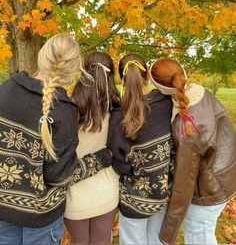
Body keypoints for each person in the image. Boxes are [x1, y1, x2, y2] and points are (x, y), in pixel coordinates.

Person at [0, 34, 112, 245]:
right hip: (41, 218)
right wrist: (100, 159)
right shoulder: (63, 109)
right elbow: (60, 175)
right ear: (74, 69)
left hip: (3, 210)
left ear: (42, 56)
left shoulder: (6, 89)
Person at [150, 58, 236, 245]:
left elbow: (183, 184)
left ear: (160, 88)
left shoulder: (185, 127)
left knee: (199, 235)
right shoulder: (202, 93)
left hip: (209, 189)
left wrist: (168, 232)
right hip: (225, 177)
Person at [107, 54, 174, 245]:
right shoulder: (165, 103)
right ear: (147, 76)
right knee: (157, 241)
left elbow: (119, 163)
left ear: (122, 79)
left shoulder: (117, 115)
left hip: (133, 198)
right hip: (162, 192)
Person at [64, 52, 120, 245]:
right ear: (111, 76)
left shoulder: (66, 108)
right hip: (106, 191)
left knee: (77, 242)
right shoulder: (117, 109)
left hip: (74, 192)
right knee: (102, 241)